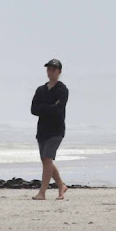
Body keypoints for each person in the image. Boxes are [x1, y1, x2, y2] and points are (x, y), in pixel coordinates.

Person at [30, 59, 69, 200]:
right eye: (49, 69)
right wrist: (50, 106)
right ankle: (61, 185)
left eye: (54, 69)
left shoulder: (62, 89)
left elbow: (58, 110)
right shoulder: (41, 90)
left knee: (47, 158)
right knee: (46, 161)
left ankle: (42, 192)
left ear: (59, 71)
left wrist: (45, 107)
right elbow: (34, 109)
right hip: (42, 130)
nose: (51, 72)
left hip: (56, 130)